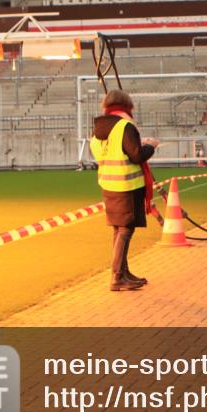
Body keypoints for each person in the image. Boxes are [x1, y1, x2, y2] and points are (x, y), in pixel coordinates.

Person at [90, 90, 159, 292]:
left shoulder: (98, 129)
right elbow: (137, 156)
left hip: (109, 185)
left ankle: (123, 272)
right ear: (127, 106)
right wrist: (150, 146)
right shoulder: (124, 126)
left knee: (118, 229)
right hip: (127, 186)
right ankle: (117, 276)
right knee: (125, 230)